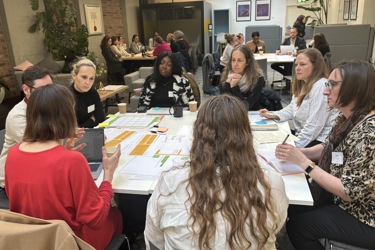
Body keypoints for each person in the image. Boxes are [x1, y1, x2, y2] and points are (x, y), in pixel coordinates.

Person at [144, 94, 288, 249]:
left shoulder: (170, 182)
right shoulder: (271, 181)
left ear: (197, 133)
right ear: (246, 134)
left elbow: (154, 241)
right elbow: (277, 225)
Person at [5, 84, 123, 250]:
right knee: (115, 215)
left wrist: (63, 151)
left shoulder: (14, 153)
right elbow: (95, 219)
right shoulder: (72, 161)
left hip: (31, 238)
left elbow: (26, 195)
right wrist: (108, 177)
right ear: (67, 115)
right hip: (69, 242)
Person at [275, 60, 375, 249]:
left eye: (332, 84)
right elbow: (328, 146)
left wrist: (305, 163)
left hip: (365, 217)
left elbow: (348, 192)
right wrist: (297, 153)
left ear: (355, 88)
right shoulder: (348, 118)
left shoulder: (370, 133)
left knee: (298, 227)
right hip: (344, 201)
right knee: (293, 207)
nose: (325, 91)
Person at [260, 48, 338, 148]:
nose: (297, 68)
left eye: (302, 64)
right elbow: (293, 108)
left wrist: (295, 146)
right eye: (296, 64)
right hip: (302, 136)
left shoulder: (320, 86)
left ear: (315, 67)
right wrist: (273, 115)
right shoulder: (303, 84)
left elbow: (314, 126)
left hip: (318, 141)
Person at [0, 66, 53, 205]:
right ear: (26, 89)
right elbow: (41, 151)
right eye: (42, 90)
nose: (50, 94)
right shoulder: (18, 116)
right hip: (14, 181)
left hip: (37, 169)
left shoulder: (46, 106)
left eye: (51, 88)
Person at [220, 45, 265, 110]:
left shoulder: (257, 78)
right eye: (233, 60)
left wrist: (234, 87)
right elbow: (223, 103)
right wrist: (227, 84)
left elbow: (246, 106)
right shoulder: (226, 74)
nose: (235, 64)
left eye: (239, 60)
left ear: (247, 62)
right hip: (229, 114)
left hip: (250, 114)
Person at [69, 58, 105, 128]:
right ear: (74, 75)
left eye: (91, 78)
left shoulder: (93, 92)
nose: (87, 82)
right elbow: (72, 130)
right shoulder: (66, 96)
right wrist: (91, 121)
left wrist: (84, 124)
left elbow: (101, 119)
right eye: (84, 77)